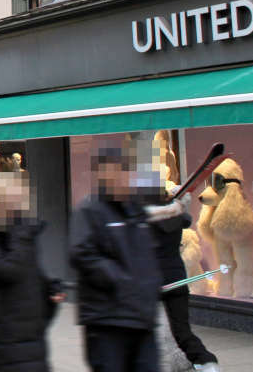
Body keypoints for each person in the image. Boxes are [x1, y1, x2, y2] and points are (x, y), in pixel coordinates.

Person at [69, 144, 161, 372]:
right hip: (108, 320)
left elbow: (147, 255)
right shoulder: (89, 211)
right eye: (118, 171)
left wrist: (152, 286)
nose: (125, 177)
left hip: (142, 320)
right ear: (102, 175)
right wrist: (120, 281)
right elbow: (81, 253)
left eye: (127, 171)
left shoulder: (135, 211)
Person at [0, 172, 64, 372]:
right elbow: (10, 271)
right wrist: (22, 235)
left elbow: (33, 281)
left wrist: (51, 291)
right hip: (7, 341)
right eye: (13, 195)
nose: (19, 201)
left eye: (21, 194)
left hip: (33, 339)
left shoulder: (23, 236)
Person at [146, 188, 219, 371]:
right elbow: (186, 219)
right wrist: (178, 204)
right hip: (176, 277)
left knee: (148, 329)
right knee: (182, 330)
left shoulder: (146, 220)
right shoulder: (178, 218)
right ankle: (206, 362)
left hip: (152, 280)